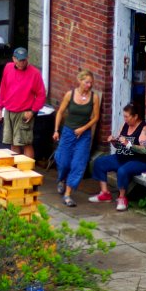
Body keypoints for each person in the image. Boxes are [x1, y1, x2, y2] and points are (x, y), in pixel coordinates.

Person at [89, 102, 146, 211]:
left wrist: (128, 144)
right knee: (99, 162)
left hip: (140, 161)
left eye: (127, 116)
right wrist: (114, 142)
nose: (125, 119)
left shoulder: (144, 129)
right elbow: (120, 144)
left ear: (135, 116)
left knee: (122, 170)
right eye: (124, 116)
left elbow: (145, 150)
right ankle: (105, 193)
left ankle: (122, 198)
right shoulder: (125, 125)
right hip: (122, 157)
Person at [52, 69, 100, 207]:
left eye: (91, 82)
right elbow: (60, 112)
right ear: (79, 81)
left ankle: (67, 194)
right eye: (86, 82)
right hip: (68, 133)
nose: (89, 85)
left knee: (78, 164)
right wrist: (56, 130)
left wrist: (84, 128)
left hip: (83, 135)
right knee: (63, 161)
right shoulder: (70, 95)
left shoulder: (94, 97)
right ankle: (61, 179)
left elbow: (95, 117)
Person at [0, 47, 46, 159]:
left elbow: (41, 95)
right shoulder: (8, 68)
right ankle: (16, 171)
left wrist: (32, 112)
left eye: (24, 60)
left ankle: (29, 171)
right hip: (9, 111)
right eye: (19, 60)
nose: (22, 62)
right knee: (13, 142)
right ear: (14, 59)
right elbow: (3, 87)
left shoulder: (35, 73)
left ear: (27, 58)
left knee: (26, 143)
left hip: (24, 112)